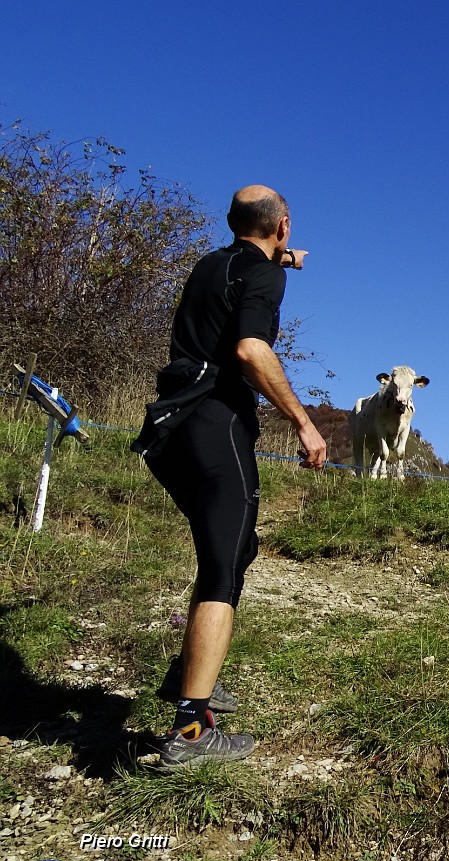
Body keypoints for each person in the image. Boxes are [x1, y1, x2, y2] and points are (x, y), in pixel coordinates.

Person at [133, 185, 327, 769]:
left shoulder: (211, 263)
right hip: (215, 421)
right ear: (284, 225)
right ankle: (191, 729)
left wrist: (285, 258)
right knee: (223, 567)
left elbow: (250, 261)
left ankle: (191, 675)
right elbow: (249, 350)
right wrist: (303, 422)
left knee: (236, 548)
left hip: (169, 430)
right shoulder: (264, 277)